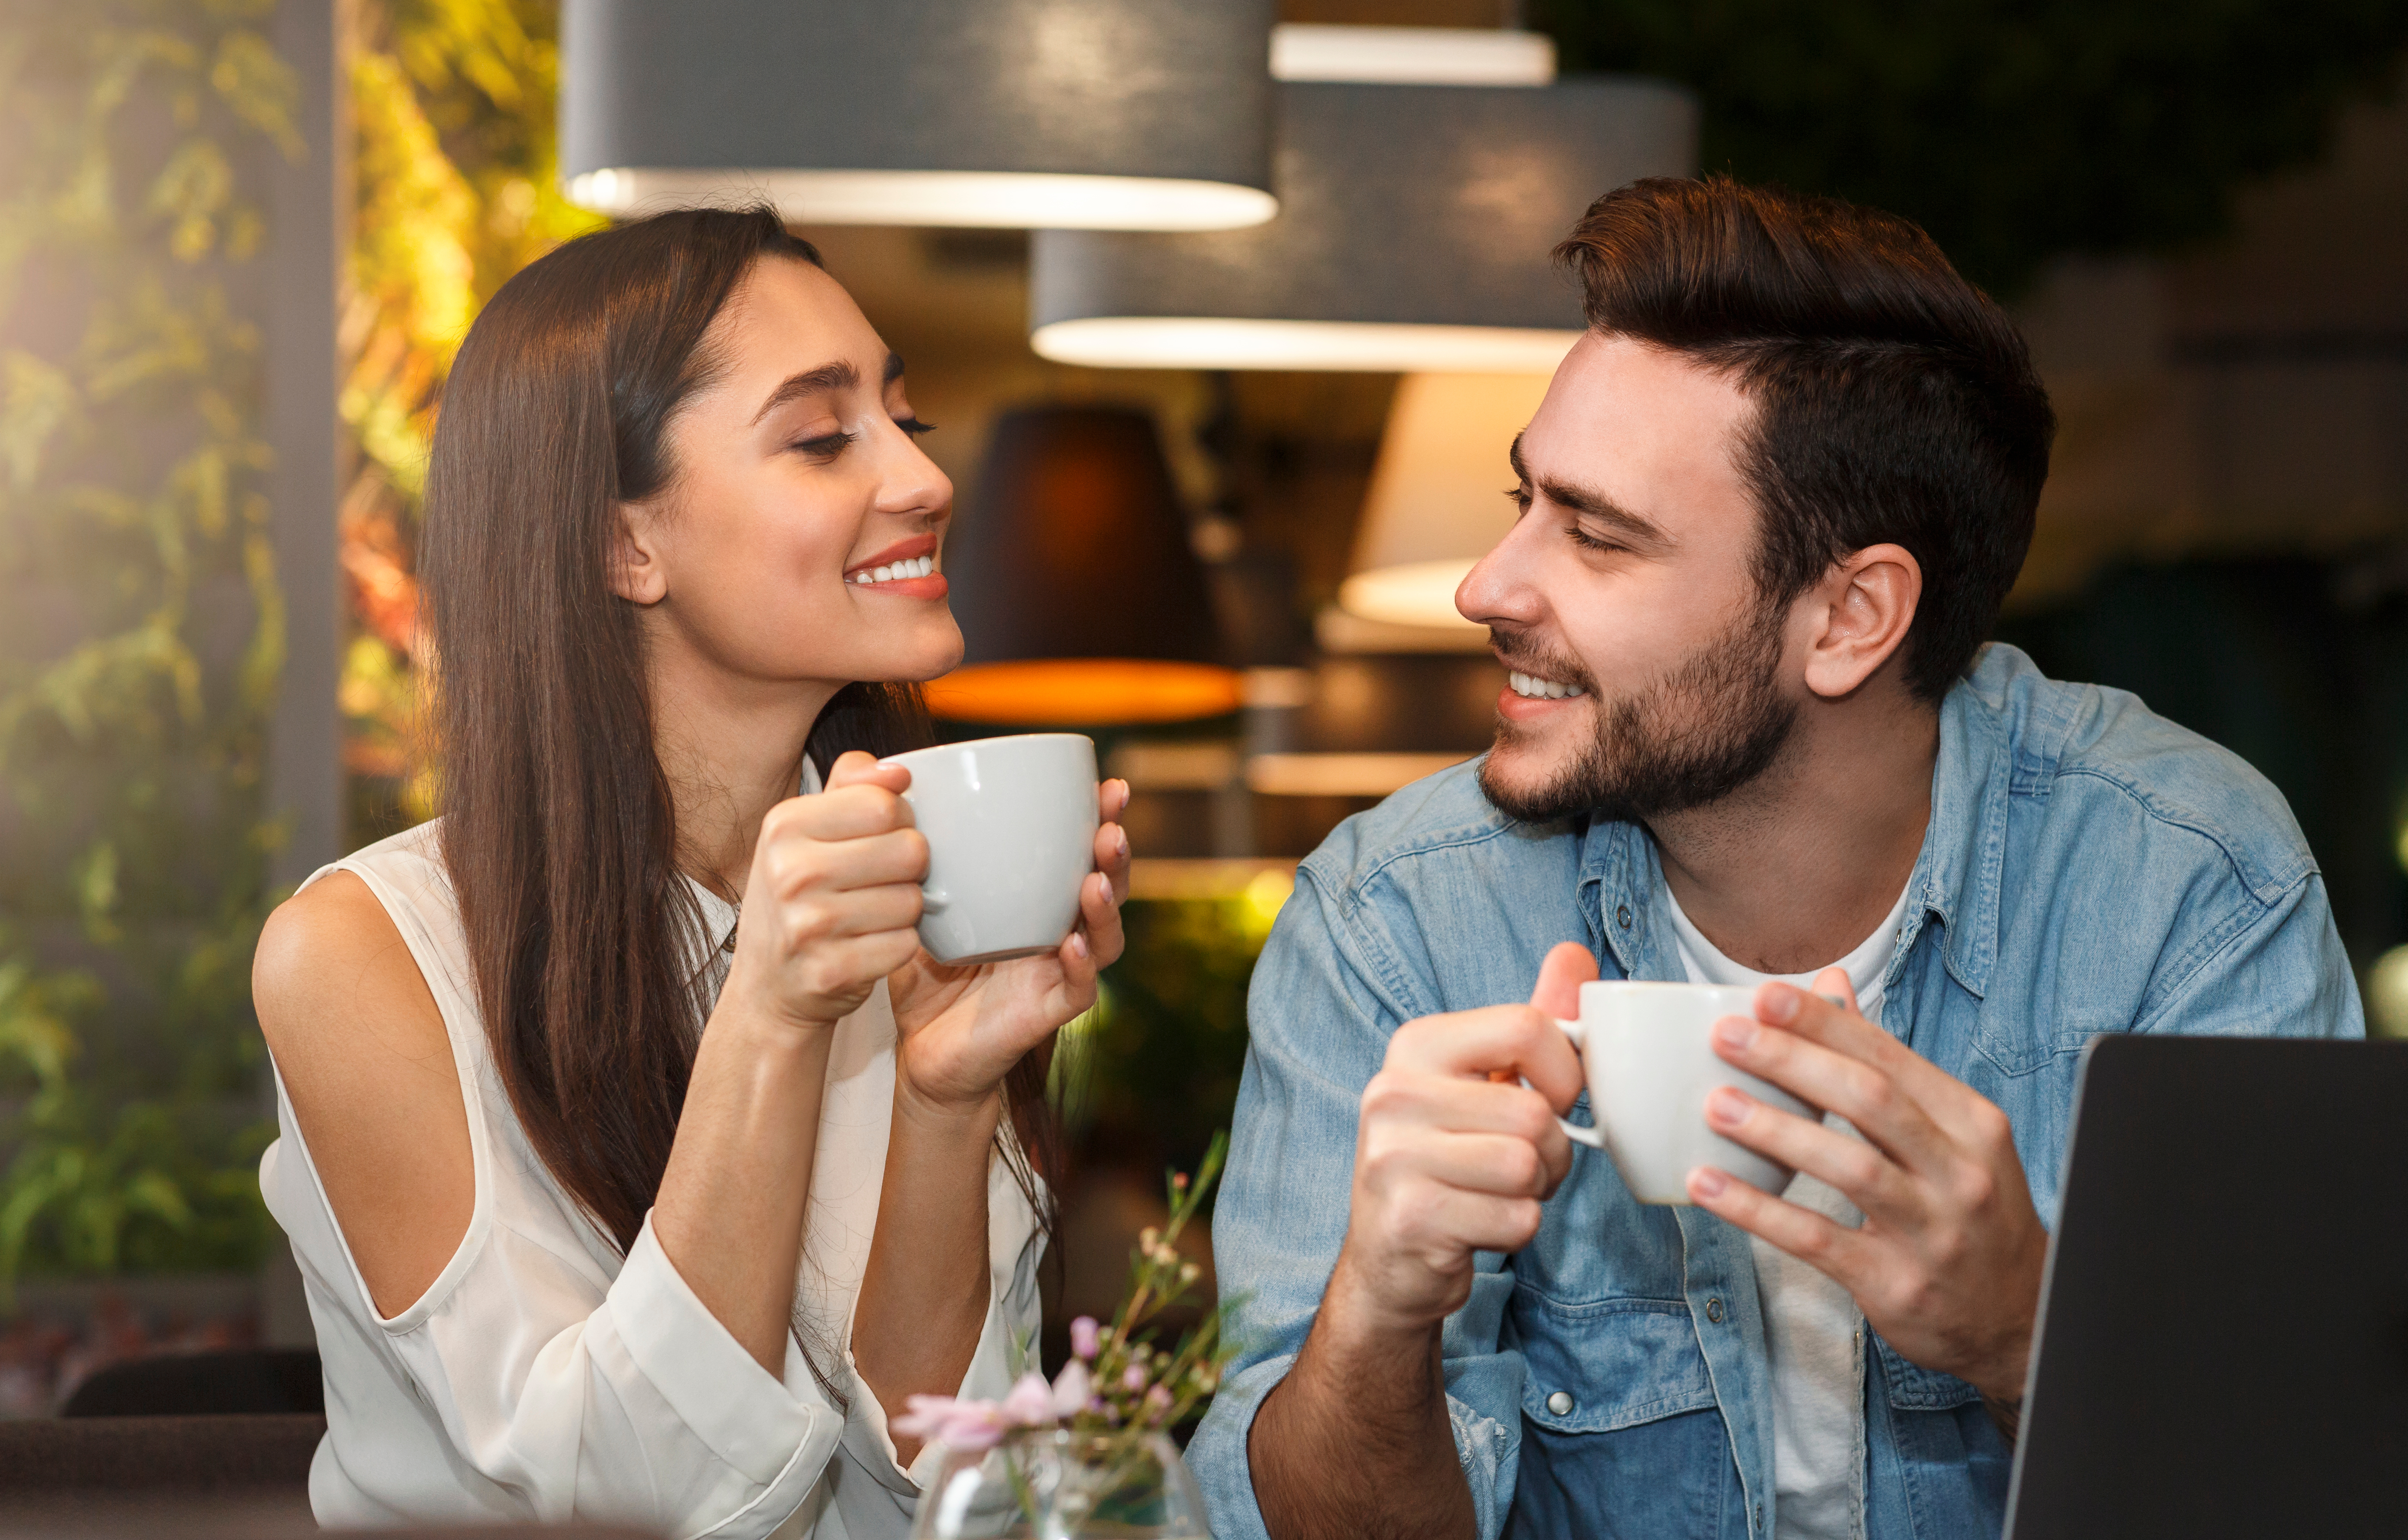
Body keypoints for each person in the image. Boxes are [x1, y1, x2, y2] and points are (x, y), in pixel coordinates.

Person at [1186, 176, 2363, 1540]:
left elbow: (2299, 1489)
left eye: (1594, 533)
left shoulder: (2186, 885)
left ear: (1850, 617)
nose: (1487, 587)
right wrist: (1377, 1316)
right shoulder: (1398, 919)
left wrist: (2029, 1339)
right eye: (1523, 501)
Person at [251, 207, 1132, 1539]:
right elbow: (634, 1499)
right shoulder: (364, 955)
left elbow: (941, 1493)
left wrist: (948, 1101)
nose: (922, 477)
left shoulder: (917, 893)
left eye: (908, 420)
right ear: (624, 545)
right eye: (825, 435)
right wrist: (770, 1015)